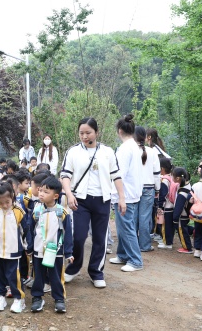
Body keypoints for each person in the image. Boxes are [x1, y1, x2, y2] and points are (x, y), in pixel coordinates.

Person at [61, 117, 126, 287]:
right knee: (78, 236)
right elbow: (65, 175)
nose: (84, 136)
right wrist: (69, 194)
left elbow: (116, 176)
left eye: (88, 132)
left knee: (100, 238)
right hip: (79, 200)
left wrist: (122, 198)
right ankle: (74, 267)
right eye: (81, 133)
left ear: (97, 133)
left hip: (102, 200)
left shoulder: (107, 151)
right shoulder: (73, 152)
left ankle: (96, 272)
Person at [0, 182, 32, 313]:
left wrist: (29, 246)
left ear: (12, 197)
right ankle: (0, 296)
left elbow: (26, 229)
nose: (4, 205)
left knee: (13, 275)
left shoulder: (18, 211)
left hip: (14, 250)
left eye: (7, 202)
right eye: (1, 203)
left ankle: (19, 298)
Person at [30, 177, 73, 313]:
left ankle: (59, 299)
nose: (41, 194)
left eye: (46, 192)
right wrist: (30, 247)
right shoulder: (36, 210)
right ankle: (37, 297)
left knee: (55, 276)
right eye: (41, 190)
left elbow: (68, 234)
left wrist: (69, 252)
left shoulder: (62, 213)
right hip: (38, 249)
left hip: (55, 251)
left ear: (55, 196)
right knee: (38, 275)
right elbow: (30, 229)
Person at [109, 114, 144, 272]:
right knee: (124, 226)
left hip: (125, 194)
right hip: (132, 193)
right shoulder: (135, 146)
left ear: (119, 131)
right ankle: (123, 254)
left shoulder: (124, 149)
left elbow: (119, 174)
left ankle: (135, 260)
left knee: (126, 227)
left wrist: (119, 196)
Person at [134, 126, 160, 252]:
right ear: (145, 137)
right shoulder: (152, 152)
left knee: (133, 217)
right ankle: (144, 245)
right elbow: (157, 173)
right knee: (145, 217)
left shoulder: (130, 151)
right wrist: (158, 189)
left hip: (133, 188)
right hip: (149, 188)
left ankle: (132, 244)